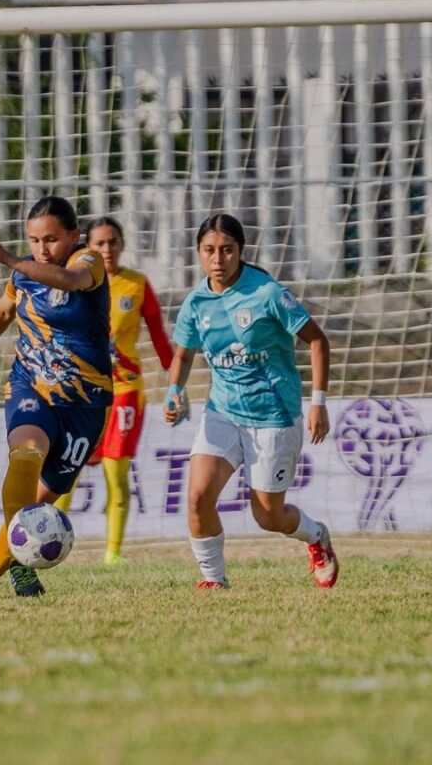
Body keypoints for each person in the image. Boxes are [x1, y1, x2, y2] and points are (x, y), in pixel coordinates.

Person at [164, 213, 338, 589]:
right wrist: (174, 391)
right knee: (196, 497)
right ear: (198, 252)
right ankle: (214, 581)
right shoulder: (196, 302)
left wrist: (318, 402)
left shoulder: (267, 293)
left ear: (241, 251)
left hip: (273, 416)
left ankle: (316, 537)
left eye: (227, 250)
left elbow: (318, 340)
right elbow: (182, 353)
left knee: (268, 516)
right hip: (222, 413)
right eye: (209, 250)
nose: (218, 259)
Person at [0, 196, 112, 598]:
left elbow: (72, 282)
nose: (42, 249)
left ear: (74, 236)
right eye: (34, 241)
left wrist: (12, 259)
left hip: (85, 403)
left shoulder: (89, 262)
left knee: (43, 501)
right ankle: (24, 573)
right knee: (25, 453)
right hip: (31, 384)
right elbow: (4, 309)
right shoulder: (24, 273)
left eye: (51, 240)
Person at [54, 217, 183, 564]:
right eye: (99, 244)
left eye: (113, 242)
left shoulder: (137, 284)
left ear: (122, 245)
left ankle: (113, 554)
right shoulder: (75, 282)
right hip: (84, 391)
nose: (107, 250)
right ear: (87, 247)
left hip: (125, 390)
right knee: (68, 470)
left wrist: (176, 381)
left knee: (116, 474)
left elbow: (158, 336)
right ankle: (51, 544)